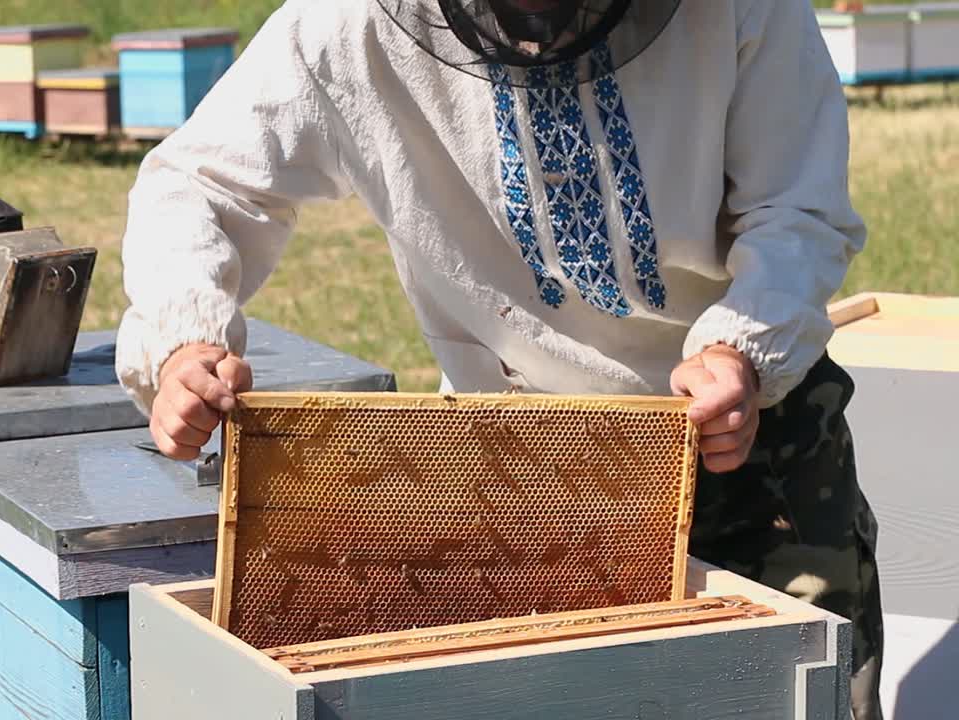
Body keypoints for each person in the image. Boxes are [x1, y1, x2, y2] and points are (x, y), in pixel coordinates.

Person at [113, 1, 882, 716]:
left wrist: (741, 350)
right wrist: (188, 337)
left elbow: (799, 210)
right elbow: (202, 182)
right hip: (521, 463)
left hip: (747, 443)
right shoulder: (345, 23)